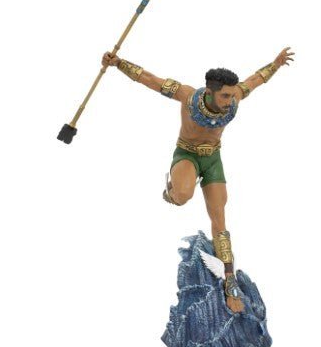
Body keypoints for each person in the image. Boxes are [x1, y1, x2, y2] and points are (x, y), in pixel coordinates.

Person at [102, 47, 295, 313]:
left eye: (232, 94)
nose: (230, 100)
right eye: (225, 95)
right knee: (182, 196)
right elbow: (150, 80)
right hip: (187, 155)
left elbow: (255, 80)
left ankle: (230, 282)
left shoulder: (235, 97)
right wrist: (119, 63)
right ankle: (171, 192)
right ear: (210, 92)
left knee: (220, 220)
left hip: (213, 159)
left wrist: (276, 63)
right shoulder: (187, 95)